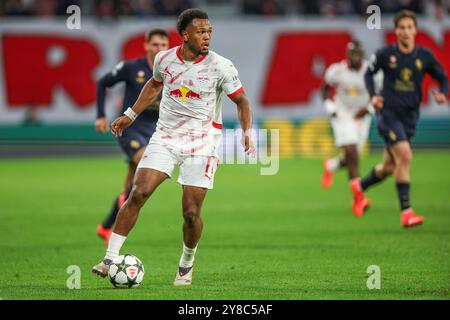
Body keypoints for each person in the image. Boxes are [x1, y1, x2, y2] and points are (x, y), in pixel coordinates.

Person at [92, 8, 255, 286]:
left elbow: (241, 101)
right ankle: (109, 258)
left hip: (202, 143)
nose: (206, 37)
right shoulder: (164, 59)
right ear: (185, 35)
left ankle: (186, 264)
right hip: (165, 137)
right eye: (201, 32)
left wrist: (246, 132)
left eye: (209, 32)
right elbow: (154, 87)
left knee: (191, 213)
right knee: (139, 192)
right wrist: (129, 116)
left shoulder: (221, 66)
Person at [360, 10, 448, 227]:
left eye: (409, 27)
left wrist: (443, 93)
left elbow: (442, 77)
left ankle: (360, 187)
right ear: (396, 31)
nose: (406, 32)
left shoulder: (424, 56)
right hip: (388, 115)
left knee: (389, 167)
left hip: (410, 117)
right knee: (406, 157)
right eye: (402, 28)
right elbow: (368, 73)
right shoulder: (384, 54)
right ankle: (406, 213)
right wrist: (373, 97)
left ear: (415, 30)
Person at [94, 29, 169, 245]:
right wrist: (100, 115)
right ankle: (113, 225)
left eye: (163, 45)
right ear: (146, 45)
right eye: (155, 44)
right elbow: (102, 82)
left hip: (156, 129)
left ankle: (106, 226)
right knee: (147, 166)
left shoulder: (171, 71)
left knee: (134, 185)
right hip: (131, 129)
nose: (159, 49)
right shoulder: (131, 68)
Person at [320, 40, 375, 217]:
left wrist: (369, 109)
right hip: (343, 115)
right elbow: (325, 89)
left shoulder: (371, 71)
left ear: (362, 54)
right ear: (348, 54)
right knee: (351, 152)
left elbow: (381, 92)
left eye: (358, 54)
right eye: (353, 54)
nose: (355, 57)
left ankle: (332, 165)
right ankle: (359, 196)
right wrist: (330, 107)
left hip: (362, 116)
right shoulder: (337, 71)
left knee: (353, 157)